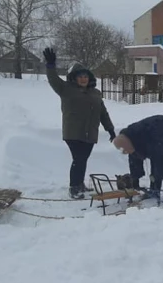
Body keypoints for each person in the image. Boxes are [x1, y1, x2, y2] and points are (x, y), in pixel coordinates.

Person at [43, 48, 115, 199]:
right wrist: (50, 66)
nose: (83, 79)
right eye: (80, 76)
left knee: (82, 159)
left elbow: (103, 112)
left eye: (86, 76)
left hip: (90, 133)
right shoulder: (66, 89)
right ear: (74, 78)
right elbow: (53, 80)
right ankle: (74, 187)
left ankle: (79, 184)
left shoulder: (95, 93)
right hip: (73, 132)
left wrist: (110, 129)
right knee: (79, 159)